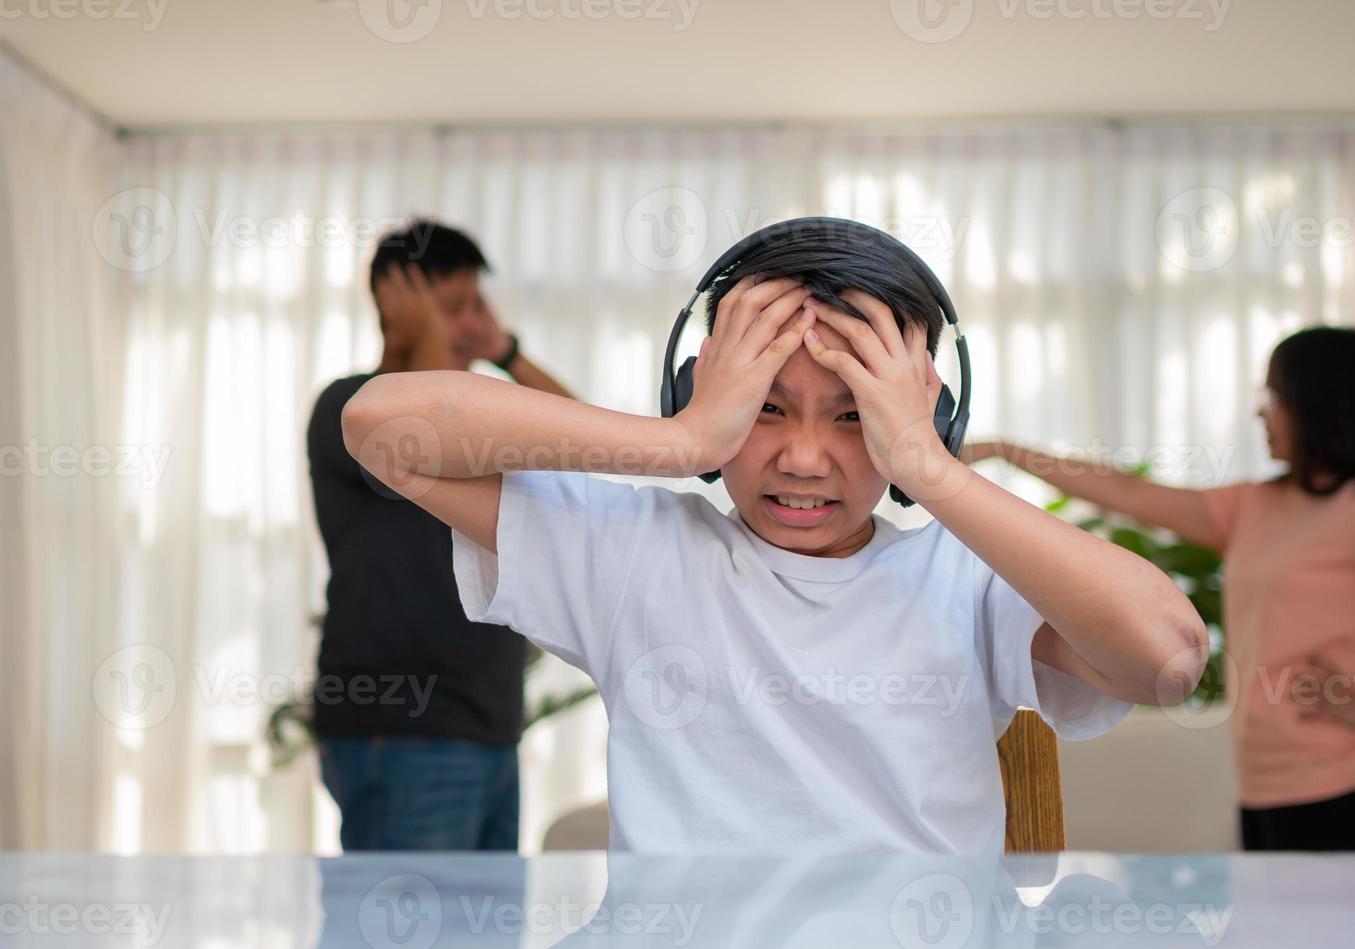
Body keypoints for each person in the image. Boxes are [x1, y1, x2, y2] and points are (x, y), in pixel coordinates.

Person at [339, 219, 1207, 853]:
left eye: (853, 416)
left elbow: (1168, 659)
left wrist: (930, 468)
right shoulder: (635, 553)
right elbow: (380, 424)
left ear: (931, 417)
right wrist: (681, 441)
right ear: (699, 392)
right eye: (765, 409)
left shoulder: (967, 576)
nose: (802, 456)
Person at [962, 325, 1355, 852]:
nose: (1262, 413)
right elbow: (1126, 493)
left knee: (1321, 936)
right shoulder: (1252, 508)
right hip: (1263, 781)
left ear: (1319, 404)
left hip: (1342, 780)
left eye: (1273, 397)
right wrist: (1007, 451)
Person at [306, 220, 575, 851]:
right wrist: (426, 335)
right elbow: (434, 427)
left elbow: (574, 444)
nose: (465, 326)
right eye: (451, 308)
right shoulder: (348, 409)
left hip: (489, 726)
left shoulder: (482, 410)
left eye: (474, 306)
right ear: (393, 307)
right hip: (400, 731)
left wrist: (506, 352)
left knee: (482, 948)